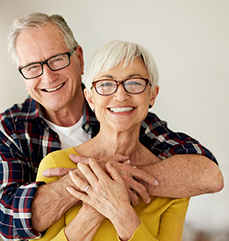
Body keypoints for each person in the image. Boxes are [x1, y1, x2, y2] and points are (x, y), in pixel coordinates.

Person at [0, 13, 223, 240]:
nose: (48, 77)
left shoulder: (124, 114)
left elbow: (208, 174)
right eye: (32, 67)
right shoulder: (12, 128)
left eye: (57, 59)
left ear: (79, 58)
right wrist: (91, 182)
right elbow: (7, 218)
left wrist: (112, 179)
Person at [35, 40, 192, 240]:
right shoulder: (56, 165)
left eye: (134, 83)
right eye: (106, 84)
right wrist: (95, 209)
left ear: (152, 95)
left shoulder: (174, 185)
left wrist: (120, 212)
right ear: (90, 99)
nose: (120, 95)